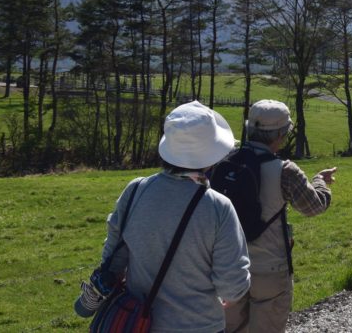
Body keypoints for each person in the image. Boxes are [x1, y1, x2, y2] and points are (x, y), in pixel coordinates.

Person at [83, 100, 251, 332]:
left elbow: (113, 261)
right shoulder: (218, 207)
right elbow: (233, 288)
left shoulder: (135, 190)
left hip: (134, 323)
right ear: (212, 156)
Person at [223, 99, 337, 333]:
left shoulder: (224, 161)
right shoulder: (285, 170)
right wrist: (320, 182)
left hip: (228, 266)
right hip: (270, 269)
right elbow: (314, 207)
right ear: (281, 135)